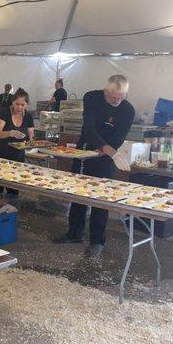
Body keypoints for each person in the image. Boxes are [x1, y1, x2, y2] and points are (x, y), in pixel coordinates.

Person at [53, 75, 135, 259]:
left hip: (106, 156)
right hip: (84, 150)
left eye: (121, 97)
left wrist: (106, 152)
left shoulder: (128, 110)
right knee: (78, 193)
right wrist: (101, 150)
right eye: (114, 96)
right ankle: (74, 232)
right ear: (106, 91)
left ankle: (97, 241)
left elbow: (118, 138)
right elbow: (89, 129)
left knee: (101, 198)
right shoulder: (91, 97)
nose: (117, 100)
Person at [0, 88, 35, 195]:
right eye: (17, 104)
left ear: (26, 105)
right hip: (1, 153)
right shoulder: (4, 113)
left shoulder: (28, 117)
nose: (19, 107)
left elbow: (31, 137)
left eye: (23, 105)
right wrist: (10, 133)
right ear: (13, 102)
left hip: (17, 155)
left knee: (14, 186)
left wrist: (30, 143)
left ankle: (12, 207)